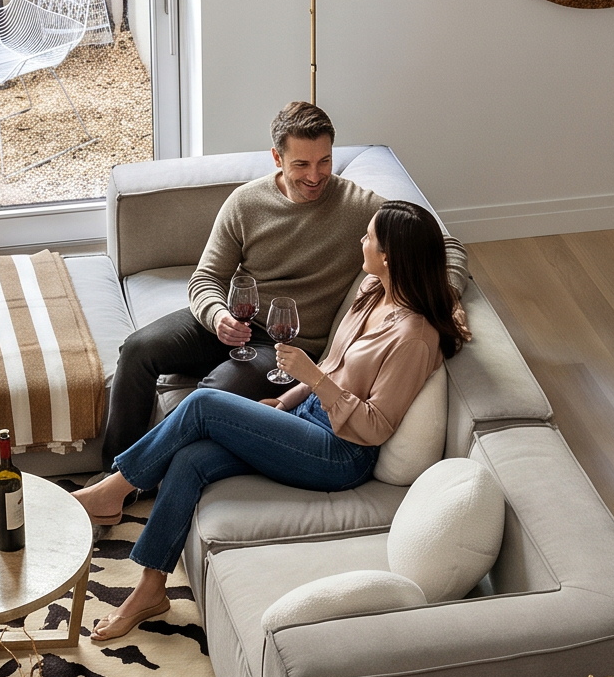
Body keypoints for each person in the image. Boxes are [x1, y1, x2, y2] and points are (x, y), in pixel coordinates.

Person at [76, 201, 469, 642]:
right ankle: (150, 590)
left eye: (369, 237)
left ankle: (112, 489)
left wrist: (312, 378)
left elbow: (375, 426)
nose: (362, 241)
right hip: (307, 418)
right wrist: (287, 399)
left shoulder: (414, 338)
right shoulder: (372, 291)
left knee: (205, 403)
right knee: (191, 458)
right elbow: (335, 366)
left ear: (390, 255)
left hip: (340, 453)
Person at [99, 100, 466, 461]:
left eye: (324, 161)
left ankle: (139, 476)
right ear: (277, 158)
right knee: (137, 349)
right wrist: (217, 317)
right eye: (301, 164)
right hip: (232, 321)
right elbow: (207, 277)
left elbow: (442, 244)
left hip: (281, 348)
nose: (315, 175)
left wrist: (445, 295)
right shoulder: (245, 202)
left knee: (216, 391)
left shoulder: (359, 206)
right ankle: (112, 473)